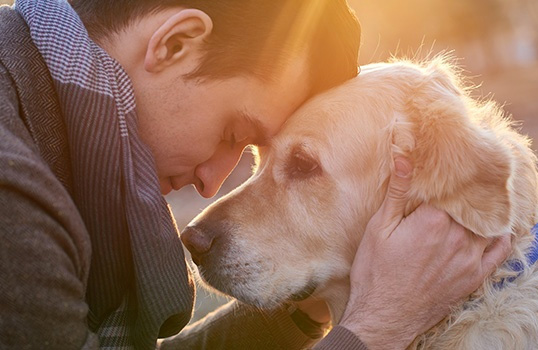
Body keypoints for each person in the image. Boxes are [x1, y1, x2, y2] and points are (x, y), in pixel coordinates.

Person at [0, 0, 511, 349]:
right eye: (232, 133)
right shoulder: (12, 193)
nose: (211, 184)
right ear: (175, 43)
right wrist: (374, 328)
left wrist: (310, 303)